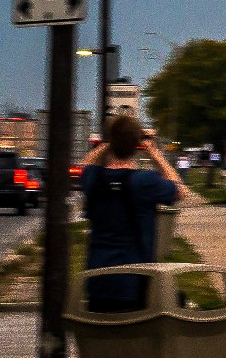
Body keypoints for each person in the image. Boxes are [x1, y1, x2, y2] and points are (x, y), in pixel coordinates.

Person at [78, 115, 190, 311]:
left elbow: (83, 166)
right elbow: (181, 190)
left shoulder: (93, 178)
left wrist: (109, 142)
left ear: (109, 142)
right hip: (134, 283)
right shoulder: (145, 181)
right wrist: (154, 153)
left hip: (97, 281)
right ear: (135, 145)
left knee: (102, 336)